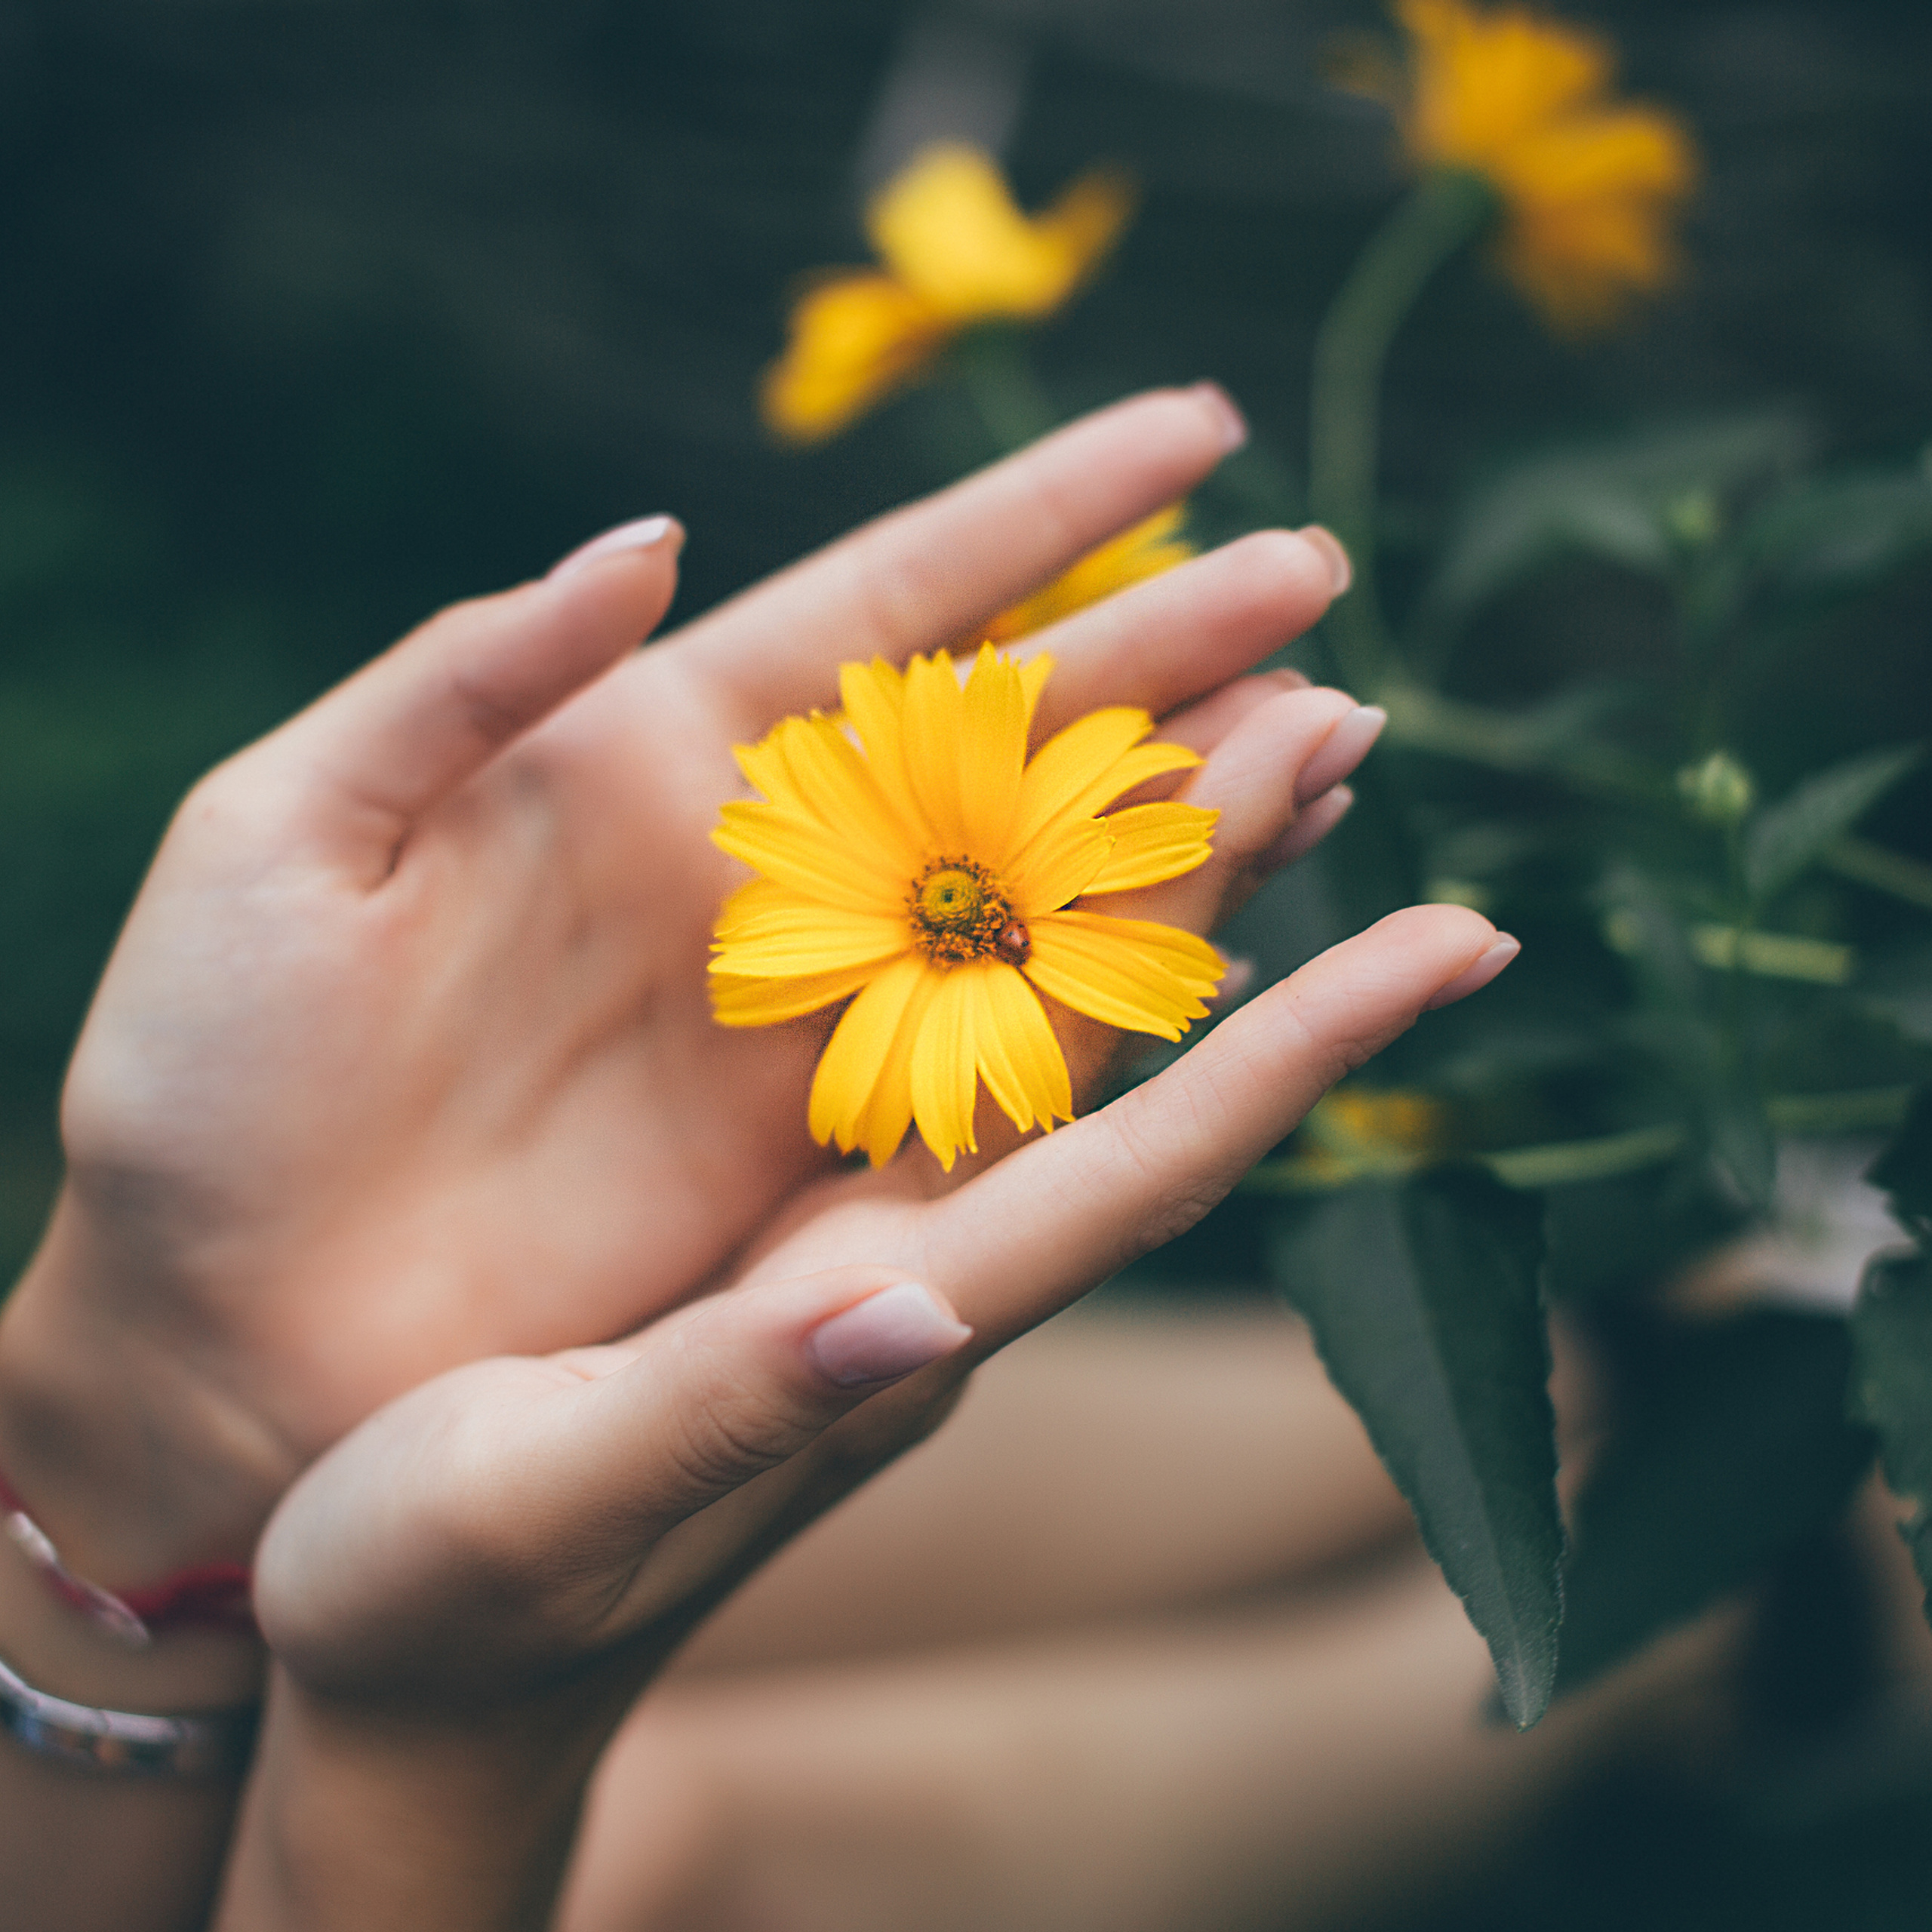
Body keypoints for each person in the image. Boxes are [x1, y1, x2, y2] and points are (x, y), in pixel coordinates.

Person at [0, 386, 1521, 1930]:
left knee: (700, 1398)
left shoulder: (923, 891)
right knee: (651, 1845)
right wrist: (431, 1754)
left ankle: (1577, 1387)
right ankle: (1658, 1650)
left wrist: (157, 1402)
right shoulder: (930, 935)